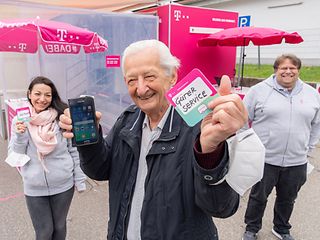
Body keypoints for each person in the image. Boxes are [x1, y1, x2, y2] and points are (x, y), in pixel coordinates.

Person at [59, 39, 248, 240]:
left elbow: (221, 207)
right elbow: (99, 169)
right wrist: (90, 140)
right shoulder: (128, 119)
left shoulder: (203, 128)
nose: (141, 89)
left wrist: (210, 153)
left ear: (172, 76)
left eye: (149, 77)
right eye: (132, 80)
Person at [241, 54, 320, 240]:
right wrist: (249, 146)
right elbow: (243, 119)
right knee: (258, 197)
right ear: (276, 69)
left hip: (297, 160)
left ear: (298, 70)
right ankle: (251, 228)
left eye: (292, 68)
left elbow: (317, 124)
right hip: (265, 158)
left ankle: (282, 228)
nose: (288, 71)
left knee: (288, 198)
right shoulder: (258, 91)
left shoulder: (311, 94)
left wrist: (309, 148)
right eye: (283, 68)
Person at [9, 76, 87, 240]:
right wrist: (20, 134)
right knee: (44, 231)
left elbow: (74, 151)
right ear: (29, 94)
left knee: (59, 228)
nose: (42, 99)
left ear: (53, 97)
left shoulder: (61, 119)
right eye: (37, 94)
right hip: (34, 187)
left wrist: (79, 180)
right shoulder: (20, 120)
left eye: (48, 95)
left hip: (63, 185)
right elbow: (16, 154)